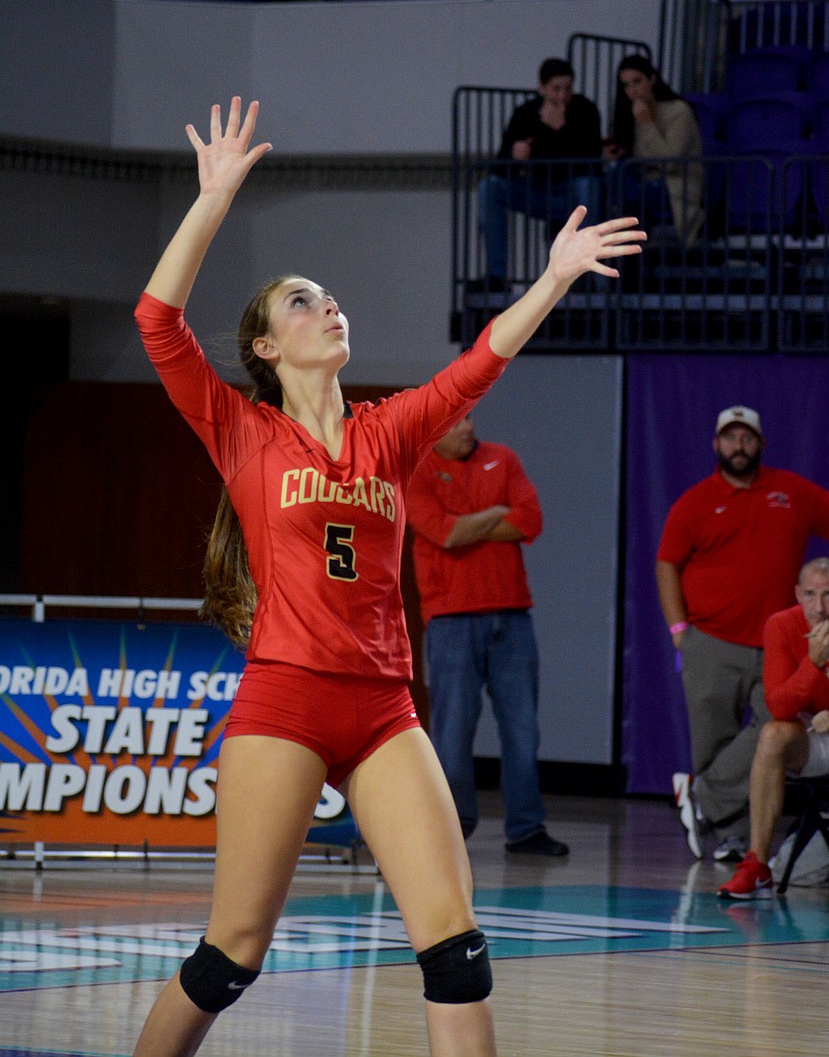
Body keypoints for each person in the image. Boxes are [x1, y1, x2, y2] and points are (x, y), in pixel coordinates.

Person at [131, 96, 644, 1057]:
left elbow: (478, 365)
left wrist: (556, 277)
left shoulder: (387, 431)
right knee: (231, 954)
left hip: (384, 708)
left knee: (456, 949)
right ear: (265, 349)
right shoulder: (244, 432)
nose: (328, 305)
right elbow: (157, 321)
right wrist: (211, 201)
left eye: (330, 296)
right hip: (284, 700)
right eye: (301, 300)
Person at [656, 404, 829, 865]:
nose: (738, 446)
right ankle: (733, 838)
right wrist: (680, 630)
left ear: (761, 444)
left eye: (747, 438)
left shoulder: (791, 491)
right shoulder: (696, 501)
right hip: (712, 642)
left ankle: (700, 796)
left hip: (779, 644)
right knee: (713, 738)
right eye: (730, 437)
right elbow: (667, 563)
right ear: (716, 445)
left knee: (775, 730)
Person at [406, 414, 568, 857]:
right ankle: (452, 824)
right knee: (452, 729)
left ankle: (526, 826)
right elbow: (443, 532)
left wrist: (471, 524)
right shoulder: (417, 472)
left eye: (471, 418)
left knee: (523, 728)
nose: (469, 427)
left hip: (513, 616)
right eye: (457, 422)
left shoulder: (503, 458)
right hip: (451, 620)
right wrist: (498, 514)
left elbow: (530, 521)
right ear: (433, 434)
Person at [718, 557, 829, 899]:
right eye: (809, 594)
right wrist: (814, 663)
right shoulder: (781, 625)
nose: (819, 608)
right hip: (818, 737)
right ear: (796, 594)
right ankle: (757, 866)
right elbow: (779, 707)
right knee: (773, 734)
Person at [477, 57, 603, 284]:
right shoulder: (526, 113)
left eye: (568, 89)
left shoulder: (585, 110)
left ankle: (587, 276)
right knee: (489, 188)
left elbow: (592, 160)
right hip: (535, 190)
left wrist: (562, 128)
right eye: (556, 89)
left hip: (573, 193)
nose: (562, 96)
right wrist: (516, 157)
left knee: (588, 186)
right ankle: (496, 275)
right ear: (542, 88)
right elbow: (501, 167)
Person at [604, 54, 704, 246]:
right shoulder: (628, 114)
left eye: (637, 82)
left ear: (652, 79)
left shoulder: (678, 111)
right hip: (642, 184)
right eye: (626, 85)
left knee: (623, 191)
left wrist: (647, 123)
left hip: (675, 187)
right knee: (610, 180)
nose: (633, 90)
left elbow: (671, 163)